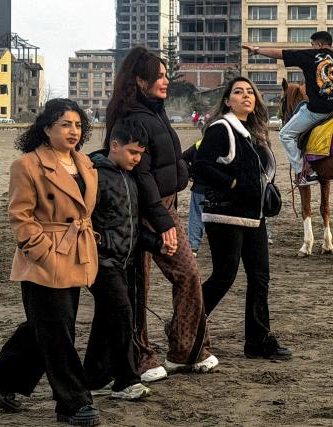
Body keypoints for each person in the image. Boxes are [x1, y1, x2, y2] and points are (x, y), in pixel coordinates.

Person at [0, 99, 101, 426]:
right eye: (65, 124)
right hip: (45, 259)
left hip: (76, 254)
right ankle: (72, 403)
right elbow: (20, 217)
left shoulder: (86, 163)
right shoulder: (28, 165)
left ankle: (0, 377)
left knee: (46, 328)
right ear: (46, 128)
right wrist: (43, 251)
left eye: (77, 125)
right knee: (58, 332)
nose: (73, 131)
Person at [105, 46, 216, 380]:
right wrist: (164, 222)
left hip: (167, 206)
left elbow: (167, 161)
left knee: (187, 276)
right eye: (160, 76)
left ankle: (185, 351)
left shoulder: (155, 111)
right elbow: (143, 176)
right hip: (146, 210)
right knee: (140, 286)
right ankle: (140, 357)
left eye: (167, 75)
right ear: (140, 80)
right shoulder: (133, 118)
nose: (166, 81)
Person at [194, 77, 292, 360]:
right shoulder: (221, 128)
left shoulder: (253, 133)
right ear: (227, 100)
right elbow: (201, 167)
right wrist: (234, 183)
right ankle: (183, 323)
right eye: (238, 92)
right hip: (225, 216)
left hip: (253, 216)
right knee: (224, 277)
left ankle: (258, 342)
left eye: (250, 92)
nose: (246, 96)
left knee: (260, 278)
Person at [83, 118, 157, 401]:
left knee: (106, 317)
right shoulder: (93, 175)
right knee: (123, 314)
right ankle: (126, 380)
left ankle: (94, 376)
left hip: (123, 261)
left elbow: (131, 225)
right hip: (100, 261)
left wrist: (156, 243)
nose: (137, 159)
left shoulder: (130, 177)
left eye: (140, 154)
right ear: (114, 146)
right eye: (132, 153)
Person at [242, 31, 333, 186]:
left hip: (320, 110)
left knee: (286, 134)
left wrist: (257, 49)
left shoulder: (312, 55)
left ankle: (304, 173)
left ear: (319, 44)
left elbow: (280, 53)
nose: (312, 47)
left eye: (313, 45)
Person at [182, 139, 206, 256]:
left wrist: (191, 173)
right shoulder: (227, 141)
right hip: (220, 189)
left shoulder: (199, 144)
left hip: (199, 188)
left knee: (196, 217)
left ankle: (193, 247)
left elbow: (183, 158)